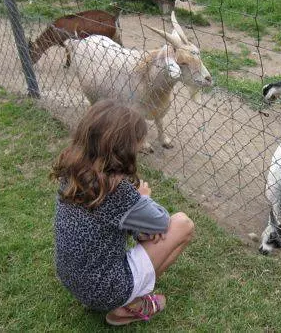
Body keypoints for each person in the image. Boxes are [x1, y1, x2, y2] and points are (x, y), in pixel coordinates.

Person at [50, 99, 195, 326]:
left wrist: (141, 227)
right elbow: (162, 221)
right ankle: (131, 305)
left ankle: (125, 291)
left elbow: (107, 219)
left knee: (148, 230)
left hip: (73, 279)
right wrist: (143, 197)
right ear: (124, 148)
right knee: (182, 225)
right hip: (103, 291)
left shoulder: (74, 168)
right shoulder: (117, 189)